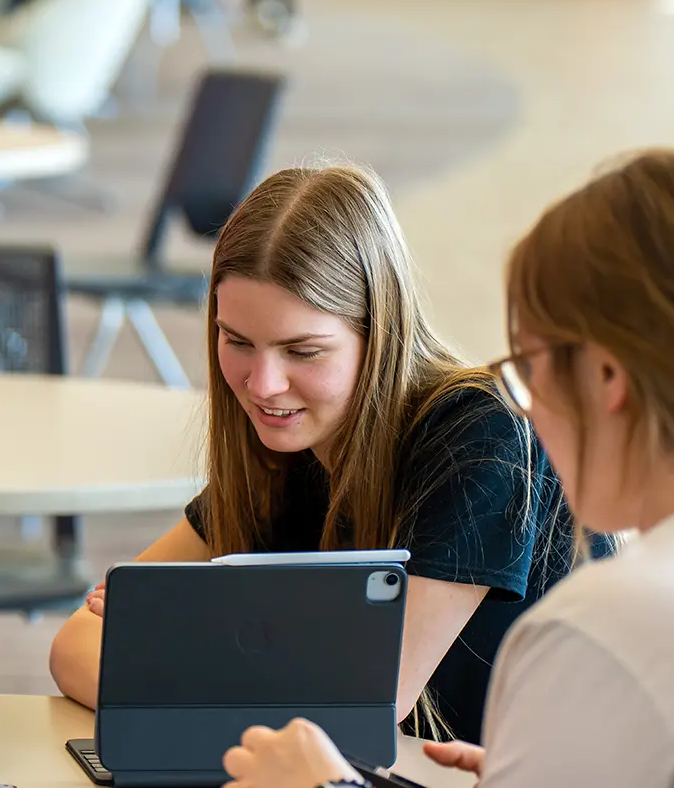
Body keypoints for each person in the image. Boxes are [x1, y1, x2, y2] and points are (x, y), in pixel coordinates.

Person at [219, 149, 674, 786]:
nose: (524, 409)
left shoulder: (610, 626)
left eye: (526, 370)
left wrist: (324, 786)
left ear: (607, 377)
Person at [48, 163, 592, 743]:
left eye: (302, 351)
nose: (262, 385)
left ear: (379, 333)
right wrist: (266, 686)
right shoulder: (288, 454)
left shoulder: (484, 433)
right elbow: (74, 646)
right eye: (236, 341)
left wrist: (173, 650)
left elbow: (363, 703)